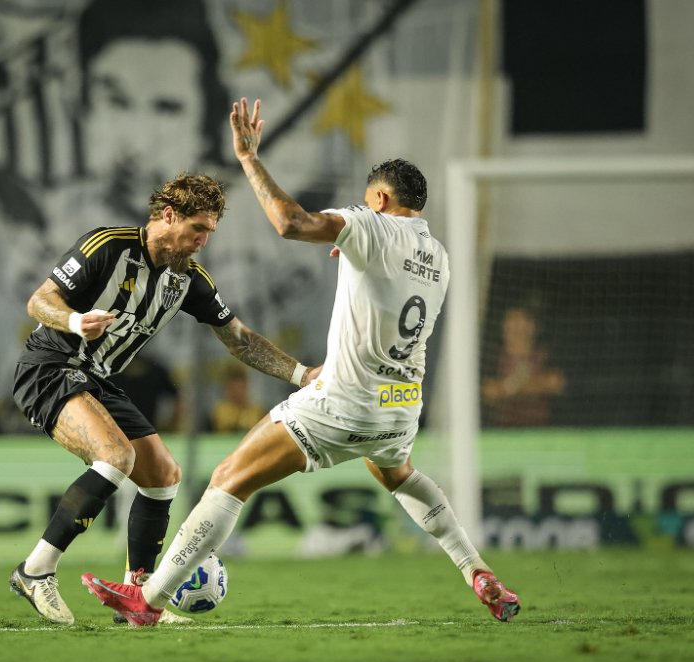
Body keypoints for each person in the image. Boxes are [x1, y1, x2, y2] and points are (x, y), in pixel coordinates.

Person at [83, 98, 520, 625]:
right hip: (400, 405)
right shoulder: (438, 255)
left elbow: (291, 223)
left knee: (228, 479)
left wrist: (248, 158)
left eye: (364, 202)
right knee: (399, 475)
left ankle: (147, 601)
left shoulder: (371, 224)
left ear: (379, 198)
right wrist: (354, 250)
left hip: (343, 400)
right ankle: (476, 568)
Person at [9, 172, 316, 626]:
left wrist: (302, 373)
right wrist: (75, 322)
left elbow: (238, 339)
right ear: (169, 217)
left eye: (210, 231)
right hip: (49, 368)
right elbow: (39, 301)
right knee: (115, 457)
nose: (204, 240)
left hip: (96, 377)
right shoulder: (107, 246)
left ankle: (137, 597)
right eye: (199, 228)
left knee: (163, 476)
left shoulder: (188, 280)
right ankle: (35, 571)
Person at [482, 305, 565, 427]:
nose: (516, 328)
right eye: (511, 322)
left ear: (532, 327)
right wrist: (532, 386)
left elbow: (555, 384)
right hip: (502, 432)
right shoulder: (492, 357)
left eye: (521, 321)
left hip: (541, 431)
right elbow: (490, 392)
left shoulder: (546, 355)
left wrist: (507, 388)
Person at [109, 354, 182, 432]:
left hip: (143, 428)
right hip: (122, 428)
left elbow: (176, 396)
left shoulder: (156, 371)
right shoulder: (155, 369)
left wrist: (173, 421)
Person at [207, 364, 266, 433]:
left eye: (241, 388)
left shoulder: (258, 413)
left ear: (246, 386)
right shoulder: (216, 415)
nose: (238, 393)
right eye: (233, 389)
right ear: (226, 388)